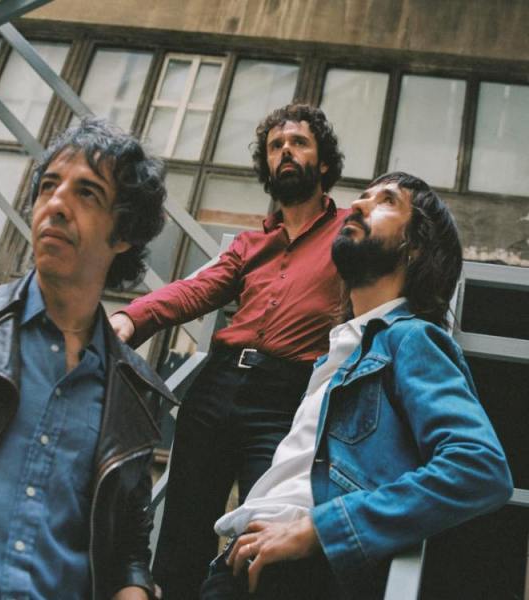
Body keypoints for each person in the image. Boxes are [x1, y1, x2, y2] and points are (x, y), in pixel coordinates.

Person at [202, 171, 513, 600]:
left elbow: (479, 467)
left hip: (303, 570)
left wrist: (323, 529)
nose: (360, 205)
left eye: (386, 201)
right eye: (363, 196)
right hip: (244, 556)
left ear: (415, 247)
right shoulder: (337, 355)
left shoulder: (410, 338)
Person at [109, 103, 349, 598]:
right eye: (276, 146)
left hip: (285, 399)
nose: (286, 151)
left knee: (262, 531)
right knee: (181, 536)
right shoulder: (248, 245)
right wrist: (131, 318)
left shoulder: (349, 233)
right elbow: (197, 290)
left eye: (299, 143)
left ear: (324, 161)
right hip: (216, 388)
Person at [0, 118, 174, 600]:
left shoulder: (134, 390)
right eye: (48, 186)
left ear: (124, 234)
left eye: (87, 193)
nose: (56, 205)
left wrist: (135, 588)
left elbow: (128, 545)